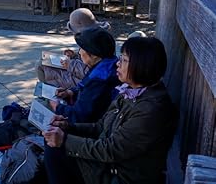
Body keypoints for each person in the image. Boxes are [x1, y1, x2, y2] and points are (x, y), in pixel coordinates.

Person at [43, 37, 177, 184]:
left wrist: (65, 140)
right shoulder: (130, 91)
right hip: (109, 165)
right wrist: (68, 126)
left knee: (56, 149)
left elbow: (111, 150)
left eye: (124, 60)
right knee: (54, 138)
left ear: (142, 65)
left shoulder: (151, 109)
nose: (118, 64)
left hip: (119, 176)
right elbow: (101, 126)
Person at [49, 27, 120, 125]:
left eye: (82, 49)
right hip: (95, 121)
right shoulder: (109, 64)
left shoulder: (100, 79)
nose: (79, 52)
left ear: (94, 54)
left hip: (90, 128)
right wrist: (70, 92)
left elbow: (80, 116)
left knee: (43, 106)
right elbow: (85, 90)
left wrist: (57, 107)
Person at [38, 8, 111, 88]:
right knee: (44, 61)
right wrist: (74, 55)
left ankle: (50, 94)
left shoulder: (96, 40)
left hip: (85, 79)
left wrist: (70, 64)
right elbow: (85, 57)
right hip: (79, 69)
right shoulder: (94, 35)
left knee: (41, 66)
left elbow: (91, 71)